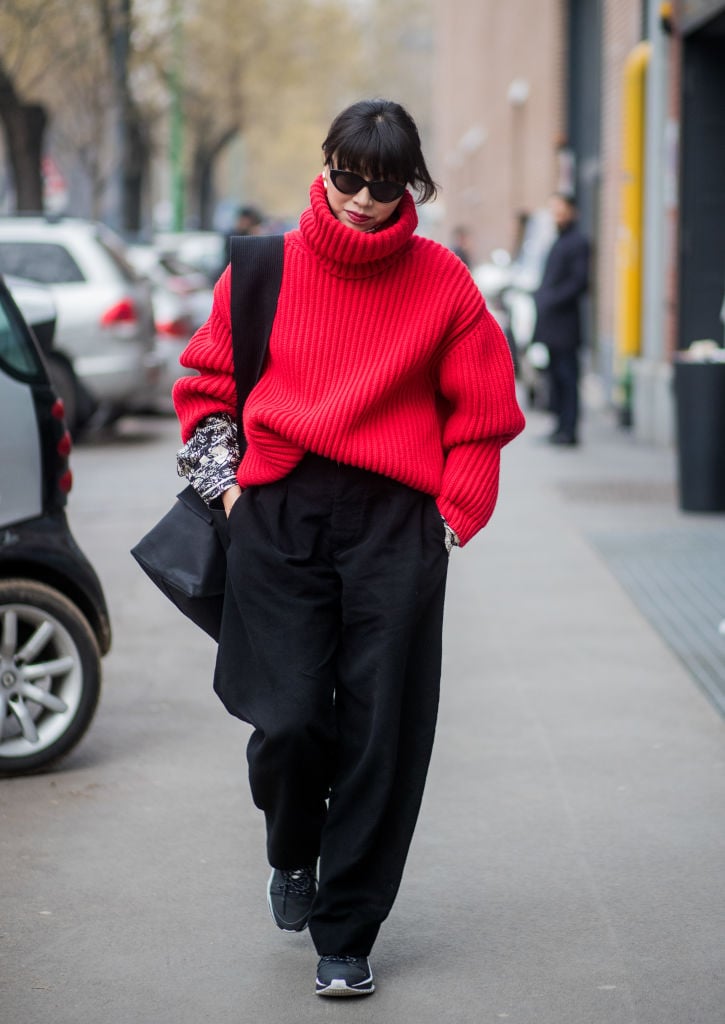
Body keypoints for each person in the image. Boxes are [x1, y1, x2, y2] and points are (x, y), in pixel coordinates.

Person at [172, 98, 525, 998]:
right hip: (278, 511)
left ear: (412, 186)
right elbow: (206, 386)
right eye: (348, 176)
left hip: (394, 521)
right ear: (324, 163)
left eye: (385, 183)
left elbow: (481, 412)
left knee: (381, 731)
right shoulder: (260, 270)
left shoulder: (441, 280)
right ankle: (293, 848)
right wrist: (232, 489)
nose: (364, 199)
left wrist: (454, 511)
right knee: (288, 719)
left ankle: (348, 928)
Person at [533, 193, 589, 445]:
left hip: (565, 326)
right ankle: (559, 427)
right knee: (556, 376)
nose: (556, 215)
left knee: (568, 378)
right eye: (553, 211)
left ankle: (569, 430)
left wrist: (549, 299)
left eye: (560, 210)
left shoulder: (578, 242)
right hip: (552, 326)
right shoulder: (558, 241)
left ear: (571, 211)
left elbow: (579, 282)